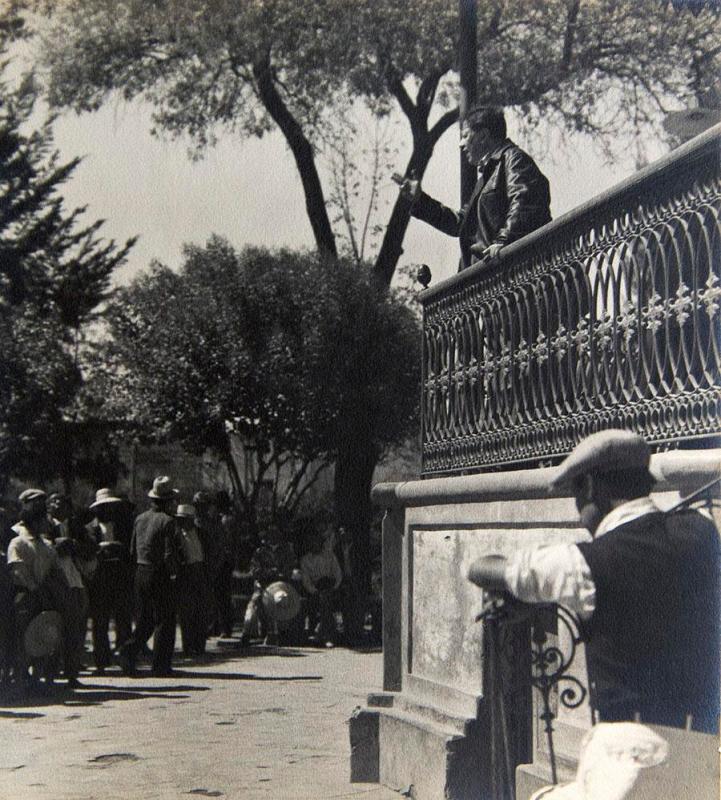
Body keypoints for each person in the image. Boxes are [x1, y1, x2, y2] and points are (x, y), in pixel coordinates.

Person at [467, 429, 720, 733]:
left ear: (588, 487)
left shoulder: (584, 561)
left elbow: (480, 569)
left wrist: (523, 599)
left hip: (628, 755)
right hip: (702, 748)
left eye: (575, 495)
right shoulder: (702, 531)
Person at [400, 105, 551, 270]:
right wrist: (420, 200)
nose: (461, 144)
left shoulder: (513, 159)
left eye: (465, 135)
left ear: (484, 136)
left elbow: (525, 203)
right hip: (484, 278)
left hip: (508, 275)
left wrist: (503, 241)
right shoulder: (487, 176)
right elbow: (460, 224)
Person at [6, 489, 74, 690]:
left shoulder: (46, 545)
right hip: (25, 595)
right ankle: (19, 681)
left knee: (44, 637)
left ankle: (38, 680)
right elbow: (17, 571)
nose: (47, 523)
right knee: (23, 640)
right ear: (33, 522)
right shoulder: (18, 542)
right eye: (43, 520)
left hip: (44, 595)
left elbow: (56, 570)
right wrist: (35, 589)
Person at [120, 476, 180, 677]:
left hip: (141, 570)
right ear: (168, 500)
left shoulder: (140, 519)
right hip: (159, 571)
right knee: (165, 619)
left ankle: (129, 650)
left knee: (145, 619)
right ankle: (161, 665)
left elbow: (132, 549)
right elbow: (169, 553)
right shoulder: (168, 521)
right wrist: (173, 575)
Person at [85, 488, 133, 675]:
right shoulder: (90, 529)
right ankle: (101, 663)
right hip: (99, 579)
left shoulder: (124, 527)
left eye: (111, 507)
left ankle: (125, 660)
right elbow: (86, 552)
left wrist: (119, 548)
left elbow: (131, 550)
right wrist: (100, 549)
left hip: (120, 577)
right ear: (97, 509)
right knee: (100, 622)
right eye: (104, 507)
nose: (108, 511)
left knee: (123, 621)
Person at [194, 491, 234, 638]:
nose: (201, 509)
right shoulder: (196, 522)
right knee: (208, 597)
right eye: (198, 505)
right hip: (203, 563)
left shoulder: (217, 522)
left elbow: (221, 545)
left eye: (204, 505)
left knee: (221, 596)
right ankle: (211, 626)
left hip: (218, 563)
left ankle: (224, 627)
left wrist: (217, 563)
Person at [175, 503, 209, 656]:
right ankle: (187, 647)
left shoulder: (201, 533)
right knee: (186, 612)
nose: (182, 522)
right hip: (185, 574)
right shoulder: (176, 535)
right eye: (180, 519)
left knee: (201, 610)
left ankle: (200, 645)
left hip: (201, 572)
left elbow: (209, 553)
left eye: (185, 519)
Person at [299, 529, 343, 648]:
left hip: (331, 587)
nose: (314, 544)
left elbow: (338, 574)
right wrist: (316, 592)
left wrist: (334, 588)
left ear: (320, 542)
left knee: (326, 597)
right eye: (311, 542)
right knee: (324, 599)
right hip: (315, 589)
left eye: (317, 541)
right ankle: (327, 635)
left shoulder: (330, 556)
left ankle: (321, 633)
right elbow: (306, 581)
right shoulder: (305, 560)